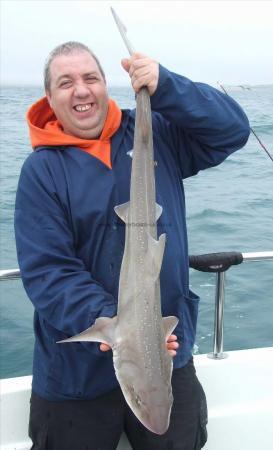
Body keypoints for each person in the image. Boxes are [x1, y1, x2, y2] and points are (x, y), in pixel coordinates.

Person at [14, 41, 250, 450]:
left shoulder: (158, 135)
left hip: (165, 356)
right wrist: (118, 325)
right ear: (50, 98)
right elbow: (48, 271)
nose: (81, 90)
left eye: (91, 78)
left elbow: (232, 129)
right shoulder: (42, 171)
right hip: (76, 375)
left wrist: (167, 87)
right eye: (66, 82)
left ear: (106, 85)